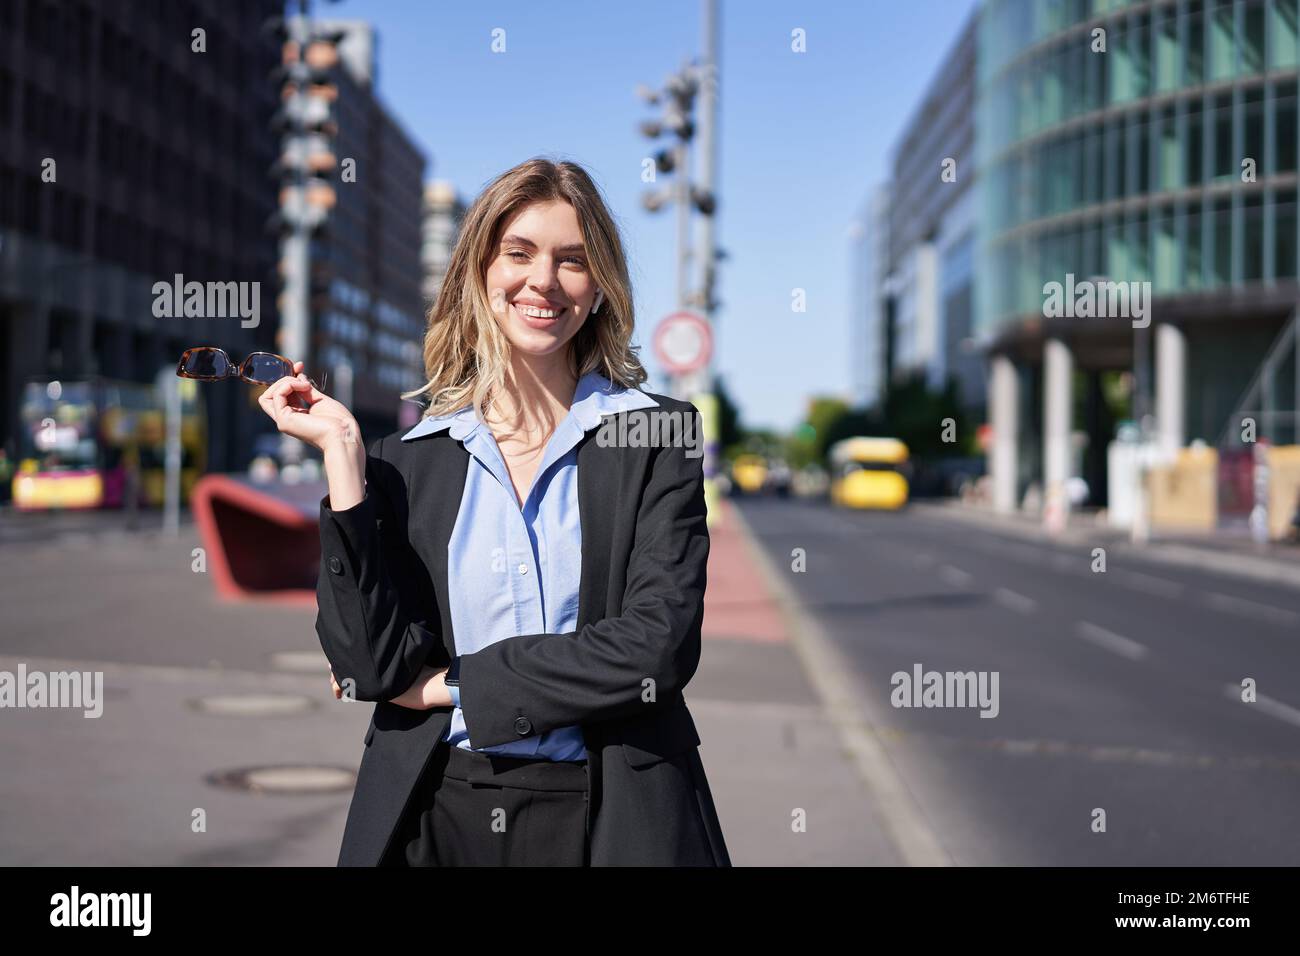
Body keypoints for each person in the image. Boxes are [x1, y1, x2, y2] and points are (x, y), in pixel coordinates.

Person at [257, 157, 731, 867]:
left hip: (613, 816)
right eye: (519, 253)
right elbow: (368, 664)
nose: (543, 280)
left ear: (599, 286)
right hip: (434, 812)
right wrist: (343, 454)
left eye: (573, 260)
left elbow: (655, 648)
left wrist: (453, 687)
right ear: (480, 272)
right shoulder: (405, 460)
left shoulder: (658, 434)